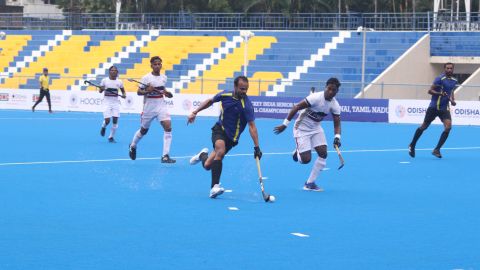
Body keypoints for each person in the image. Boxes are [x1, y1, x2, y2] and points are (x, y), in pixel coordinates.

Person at [188, 75, 263, 199]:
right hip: (219, 130)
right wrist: (195, 112)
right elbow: (210, 101)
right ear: (235, 87)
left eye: (246, 89)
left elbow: (252, 127)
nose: (244, 92)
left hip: (232, 139)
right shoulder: (225, 95)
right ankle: (214, 187)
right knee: (220, 151)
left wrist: (257, 147)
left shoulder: (247, 105)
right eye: (241, 89)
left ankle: (202, 155)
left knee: (207, 165)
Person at [274, 77, 342, 192]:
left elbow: (337, 123)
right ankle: (297, 153)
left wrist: (337, 137)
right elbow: (296, 107)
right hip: (301, 128)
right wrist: (285, 124)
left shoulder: (335, 105)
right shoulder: (315, 98)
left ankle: (310, 183)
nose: (331, 92)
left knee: (323, 153)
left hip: (316, 128)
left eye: (333, 90)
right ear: (326, 87)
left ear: (336, 91)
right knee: (305, 160)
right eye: (329, 89)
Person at [128, 56, 176, 163]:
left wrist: (167, 93)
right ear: (151, 65)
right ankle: (133, 145)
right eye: (155, 64)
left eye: (159, 64)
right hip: (149, 107)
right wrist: (147, 91)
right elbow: (139, 92)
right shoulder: (146, 78)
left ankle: (165, 156)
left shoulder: (164, 77)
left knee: (168, 127)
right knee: (143, 130)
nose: (157, 66)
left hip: (161, 105)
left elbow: (162, 89)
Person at [408, 62, 457, 159]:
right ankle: (412, 145)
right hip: (434, 107)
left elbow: (451, 91)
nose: (449, 70)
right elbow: (430, 91)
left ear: (453, 69)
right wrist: (439, 93)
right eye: (447, 68)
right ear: (444, 69)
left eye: (451, 68)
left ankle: (437, 150)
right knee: (424, 126)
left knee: (448, 127)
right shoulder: (439, 79)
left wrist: (452, 100)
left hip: (444, 108)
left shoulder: (454, 80)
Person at [99, 66, 126, 143]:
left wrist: (124, 95)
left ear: (117, 72)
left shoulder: (119, 82)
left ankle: (111, 137)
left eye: (115, 70)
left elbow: (123, 91)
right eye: (112, 70)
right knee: (107, 120)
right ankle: (103, 127)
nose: (113, 72)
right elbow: (100, 91)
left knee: (115, 120)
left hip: (115, 103)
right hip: (106, 102)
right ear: (109, 71)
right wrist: (101, 89)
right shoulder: (104, 80)